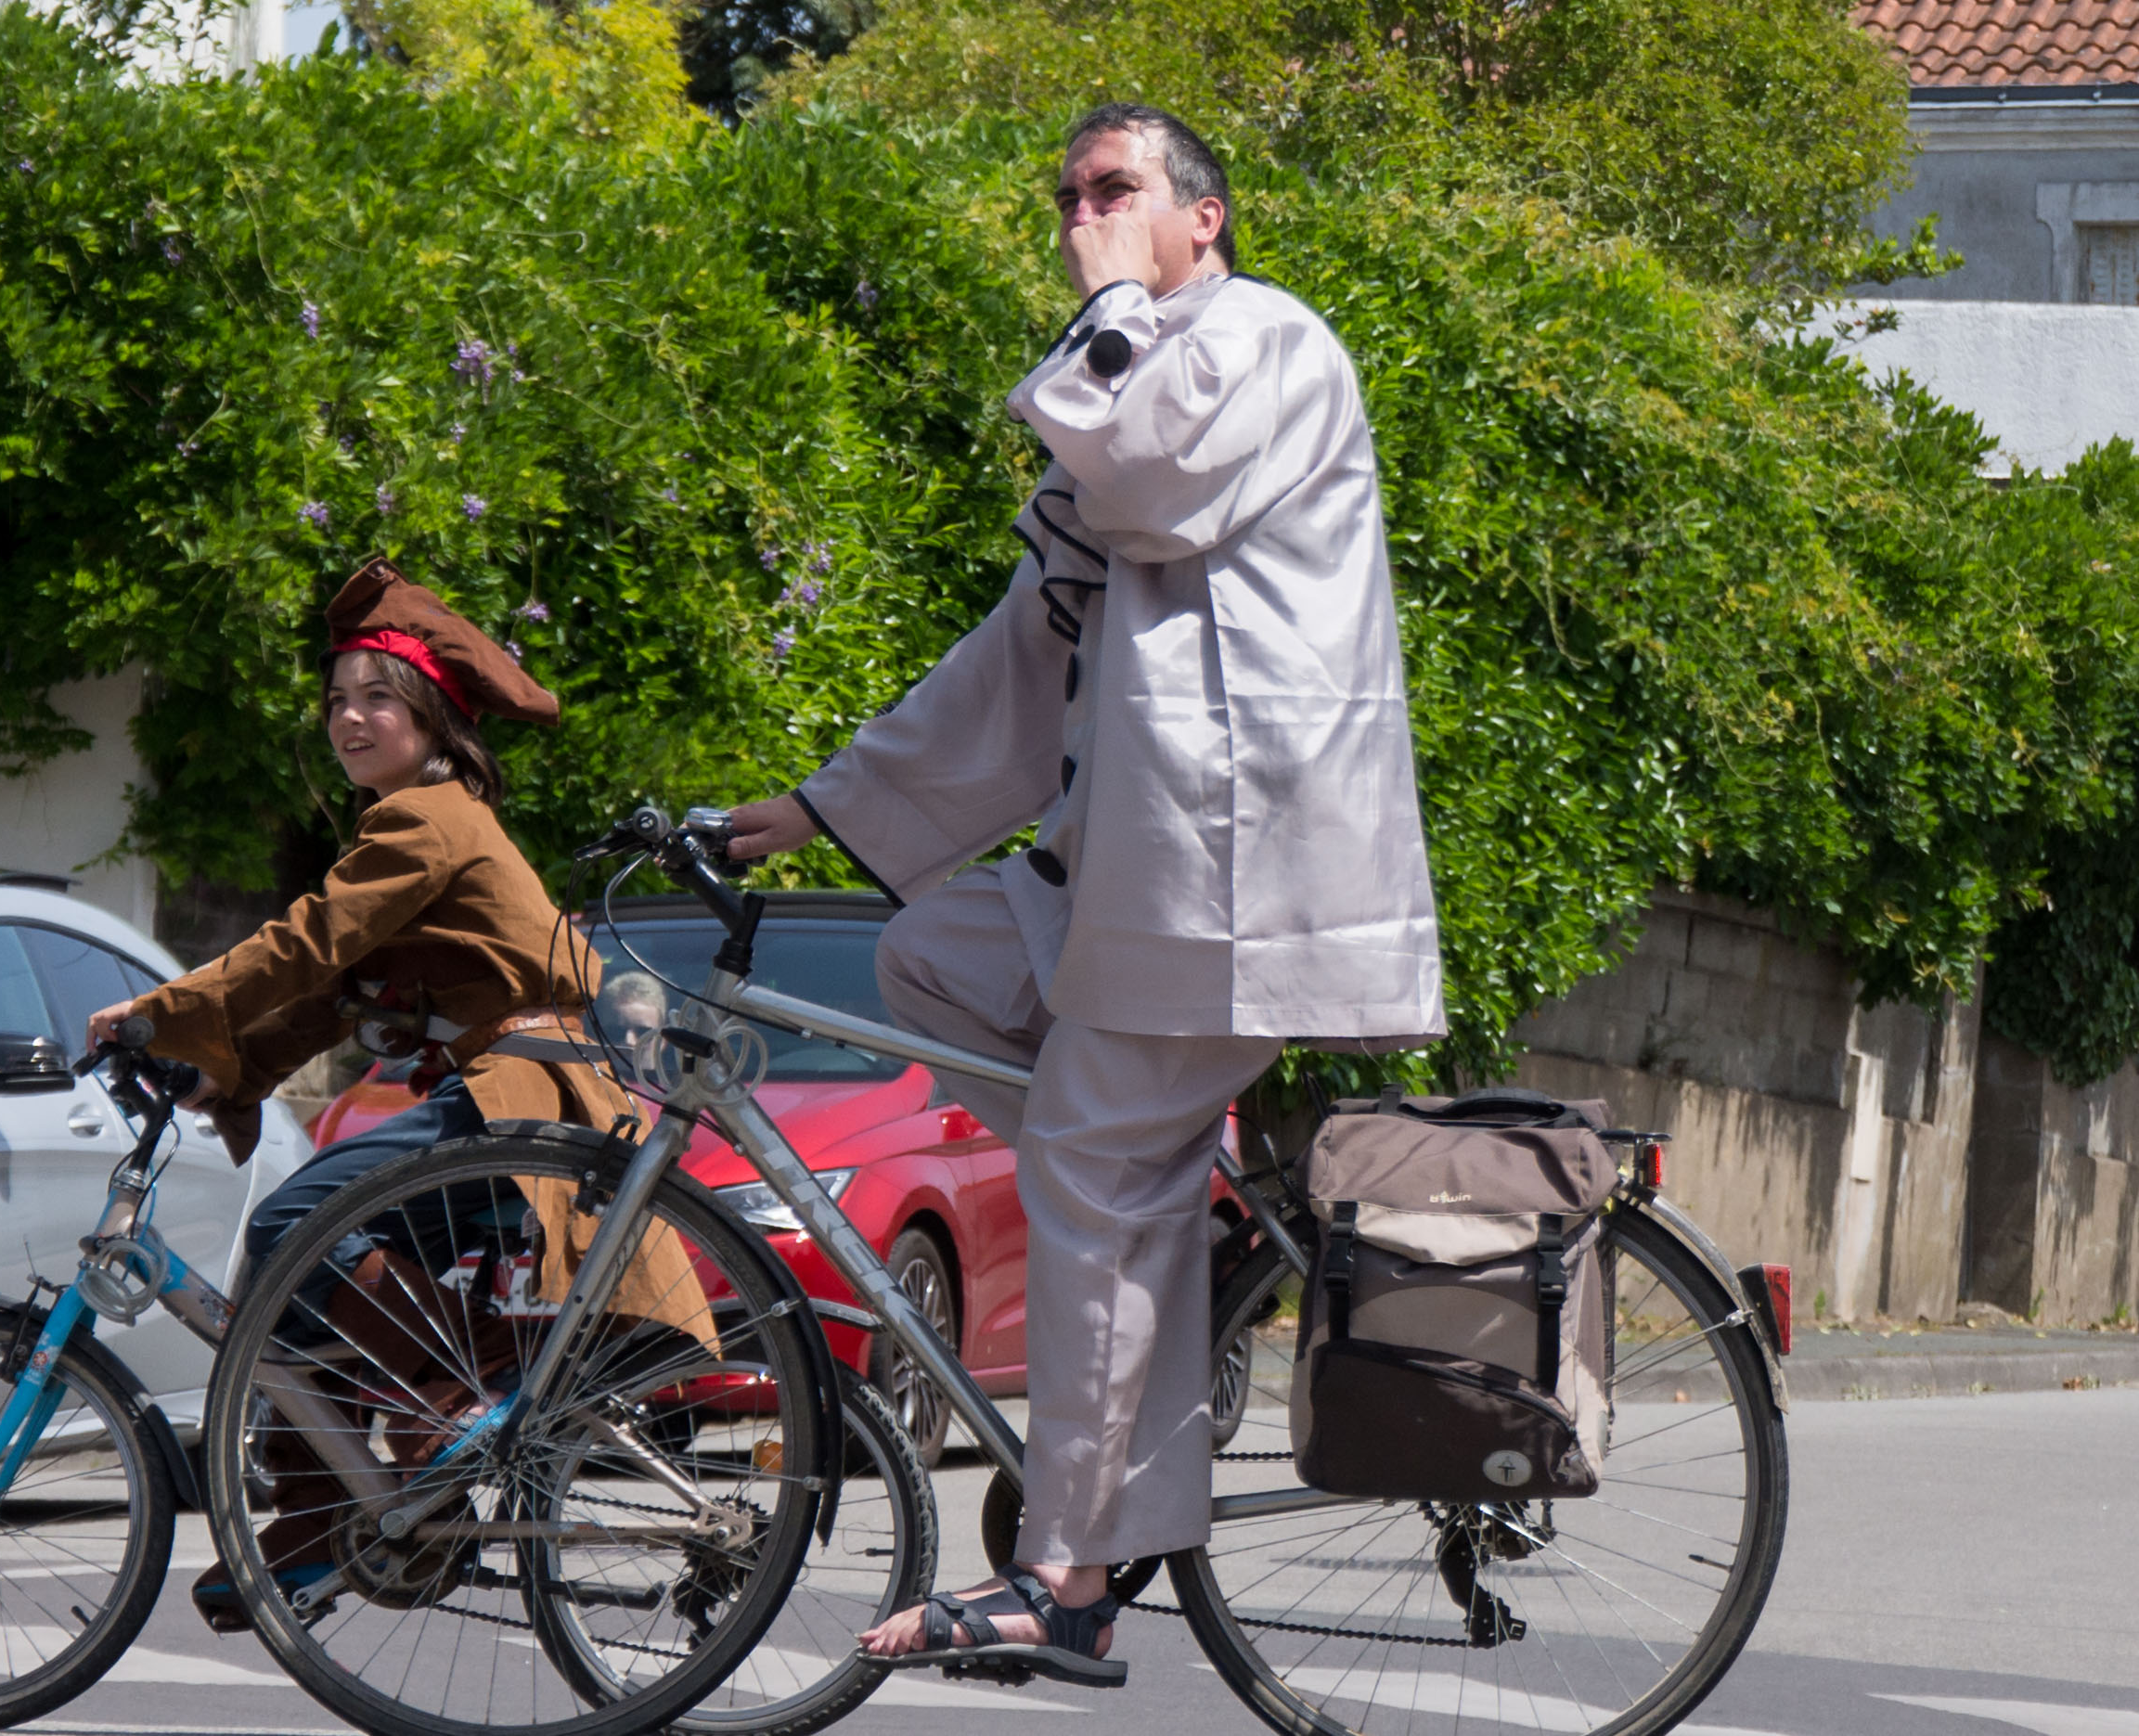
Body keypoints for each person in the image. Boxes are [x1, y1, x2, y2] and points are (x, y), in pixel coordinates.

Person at [728, 103, 1444, 1686]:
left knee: (1082, 1154)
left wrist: (1112, 301)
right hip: (1143, 879)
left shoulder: (1255, 341)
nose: (1078, 218)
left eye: (1112, 191)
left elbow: (1145, 468)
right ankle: (1151, 1260)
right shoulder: (1130, 374)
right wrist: (816, 807)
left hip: (1242, 878)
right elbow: (1023, 644)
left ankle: (1063, 1572)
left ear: (1206, 218)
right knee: (930, 952)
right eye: (1065, 197)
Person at [84, 556, 712, 1630]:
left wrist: (163, 1005)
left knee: (296, 1223)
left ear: (431, 714)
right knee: (292, 1252)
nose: (351, 717)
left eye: (379, 696)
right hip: (518, 1092)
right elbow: (340, 993)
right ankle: (339, 1516)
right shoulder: (410, 823)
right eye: (336, 699)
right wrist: (217, 1067)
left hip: (527, 1093)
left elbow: (305, 939)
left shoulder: (429, 818)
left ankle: (439, 1421)